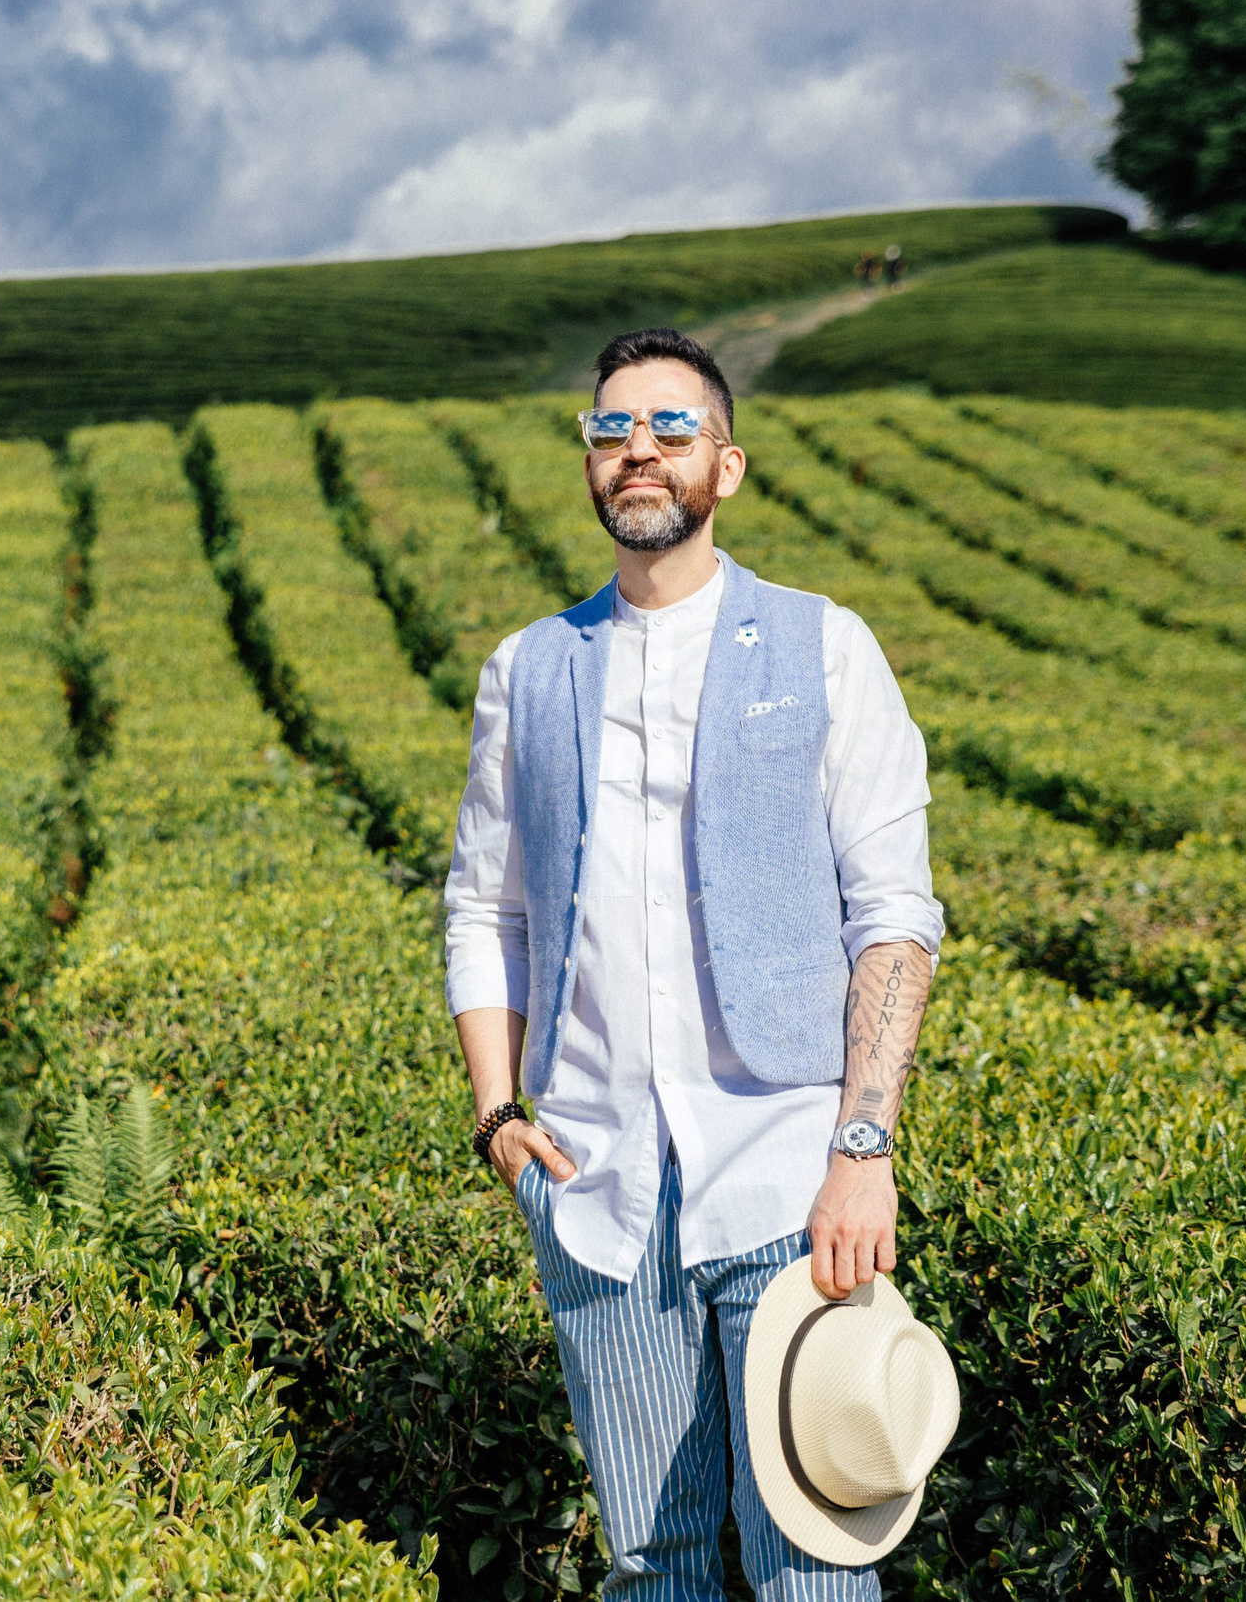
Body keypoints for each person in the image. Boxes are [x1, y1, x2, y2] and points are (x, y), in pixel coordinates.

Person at [446, 327, 945, 1598]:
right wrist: (500, 1114)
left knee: (815, 1554)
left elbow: (891, 915)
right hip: (599, 1180)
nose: (637, 452)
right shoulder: (525, 670)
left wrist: (862, 1151)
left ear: (726, 467)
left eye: (670, 429)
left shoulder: (825, 645)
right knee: (648, 1561)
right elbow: (483, 911)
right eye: (610, 430)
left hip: (791, 1179)